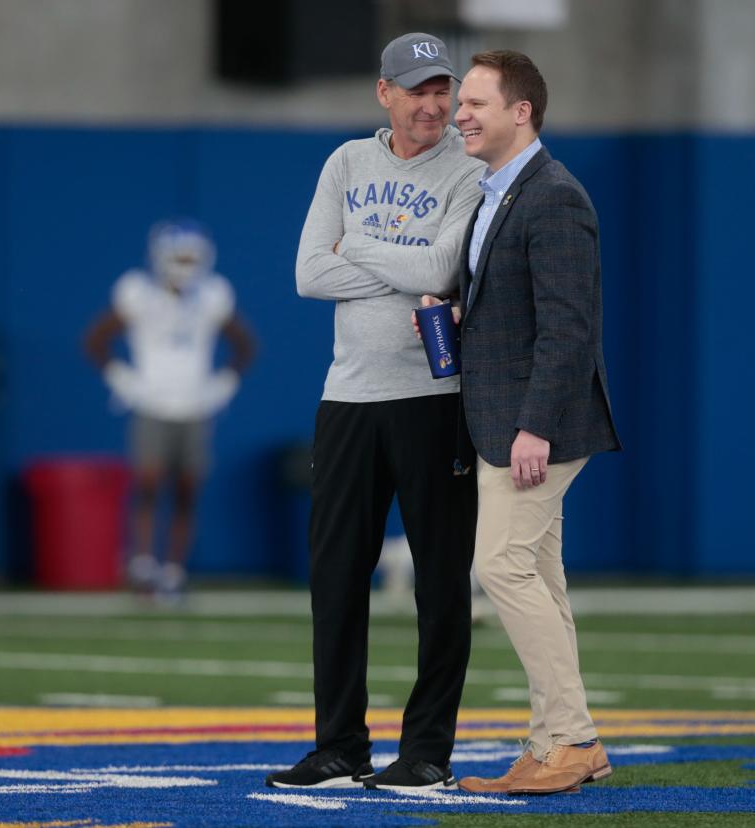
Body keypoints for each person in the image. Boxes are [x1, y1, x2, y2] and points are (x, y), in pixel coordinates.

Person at [265, 33, 484, 792]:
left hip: (436, 401)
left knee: (441, 581)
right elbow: (305, 273)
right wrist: (400, 259)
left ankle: (426, 750)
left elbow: (439, 268)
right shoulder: (346, 163)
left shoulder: (469, 168)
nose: (433, 104)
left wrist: (358, 244)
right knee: (334, 577)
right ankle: (339, 747)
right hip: (349, 399)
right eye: (417, 90)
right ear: (384, 93)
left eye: (442, 89)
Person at [427, 50, 622, 795]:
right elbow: (509, 309)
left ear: (522, 113)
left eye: (475, 102)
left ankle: (571, 738)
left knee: (500, 566)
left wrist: (535, 425)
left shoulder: (554, 197)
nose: (459, 114)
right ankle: (558, 744)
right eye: (460, 103)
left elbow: (569, 328)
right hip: (506, 419)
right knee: (539, 575)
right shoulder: (499, 192)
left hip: (536, 427)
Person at [84, 219, 255, 602]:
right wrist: (121, 378)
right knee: (147, 485)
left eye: (192, 257)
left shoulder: (212, 295)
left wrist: (223, 383)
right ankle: (143, 567)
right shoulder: (138, 293)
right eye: (179, 257)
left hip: (194, 405)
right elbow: (96, 339)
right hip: (152, 403)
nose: (185, 265)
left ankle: (174, 571)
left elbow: (245, 344)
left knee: (186, 491)